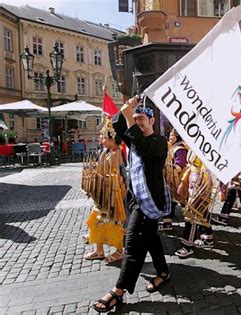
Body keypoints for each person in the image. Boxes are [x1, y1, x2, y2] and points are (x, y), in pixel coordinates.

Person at [92, 97, 171, 313]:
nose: (138, 122)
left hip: (150, 202)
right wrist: (124, 109)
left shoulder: (159, 142)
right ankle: (163, 272)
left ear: (153, 120)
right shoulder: (132, 137)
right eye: (136, 119)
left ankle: (118, 291)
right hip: (136, 199)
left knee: (133, 243)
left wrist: (128, 118)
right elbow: (117, 125)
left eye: (142, 119)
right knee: (151, 238)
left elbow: (143, 148)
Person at [83, 118, 127, 264]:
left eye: (103, 137)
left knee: (113, 222)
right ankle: (99, 250)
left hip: (112, 194)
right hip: (104, 193)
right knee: (97, 220)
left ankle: (120, 251)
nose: (100, 139)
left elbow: (113, 175)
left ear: (112, 138)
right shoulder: (108, 151)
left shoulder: (116, 154)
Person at [175, 151, 215, 258]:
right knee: (201, 210)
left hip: (200, 185)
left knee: (191, 214)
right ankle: (208, 237)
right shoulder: (195, 146)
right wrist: (183, 182)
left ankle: (188, 245)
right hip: (192, 182)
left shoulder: (207, 149)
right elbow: (190, 166)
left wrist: (205, 191)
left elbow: (207, 170)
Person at [161, 129, 188, 231]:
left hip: (177, 179)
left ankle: (191, 222)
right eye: (170, 135)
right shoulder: (171, 147)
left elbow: (180, 165)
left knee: (183, 201)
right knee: (169, 201)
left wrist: (170, 167)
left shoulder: (180, 149)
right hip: (170, 179)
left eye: (172, 136)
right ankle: (167, 223)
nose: (170, 137)